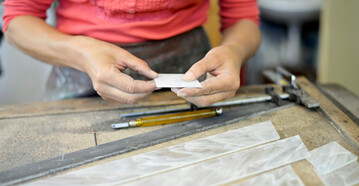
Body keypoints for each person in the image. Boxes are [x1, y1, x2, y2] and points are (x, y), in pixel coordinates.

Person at [2, 0, 260, 107]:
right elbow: (17, 20)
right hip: (79, 76)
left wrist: (234, 51)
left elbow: (243, 19)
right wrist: (83, 54)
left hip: (190, 79)